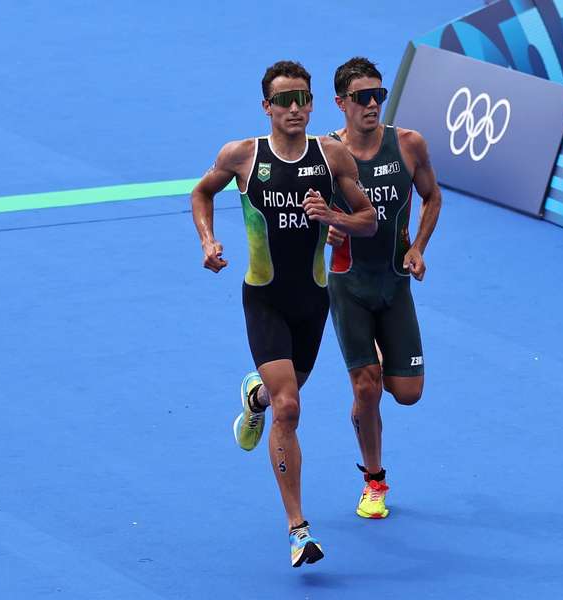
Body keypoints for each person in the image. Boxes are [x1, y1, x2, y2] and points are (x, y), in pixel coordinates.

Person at [190, 60, 376, 567]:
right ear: (266, 106)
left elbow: (368, 219)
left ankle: (254, 399)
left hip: (314, 302)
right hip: (265, 298)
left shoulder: (331, 156)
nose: (294, 108)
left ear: (313, 104)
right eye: (284, 100)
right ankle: (299, 529)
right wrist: (208, 241)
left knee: (278, 397)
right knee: (289, 407)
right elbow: (201, 191)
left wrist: (333, 216)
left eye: (302, 98)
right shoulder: (243, 156)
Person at [325, 57, 442, 519]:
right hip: (347, 284)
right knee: (368, 385)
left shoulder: (409, 145)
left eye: (379, 95)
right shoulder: (327, 154)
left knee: (407, 392)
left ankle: (363, 404)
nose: (373, 104)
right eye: (362, 97)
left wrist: (418, 247)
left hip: (395, 284)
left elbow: (432, 196)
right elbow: (304, 214)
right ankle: (374, 480)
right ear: (341, 103)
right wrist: (327, 232)